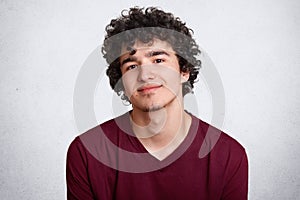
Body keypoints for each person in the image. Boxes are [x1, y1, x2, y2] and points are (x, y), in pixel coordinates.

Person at [66, 7, 248, 200]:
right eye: (132, 66)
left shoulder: (229, 156)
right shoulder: (87, 153)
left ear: (184, 70)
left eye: (158, 60)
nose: (145, 75)